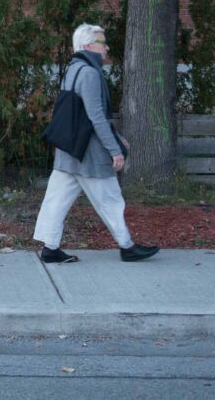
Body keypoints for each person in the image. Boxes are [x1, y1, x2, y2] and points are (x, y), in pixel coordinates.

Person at [34, 23, 159, 264]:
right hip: (88, 154)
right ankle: (127, 246)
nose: (107, 46)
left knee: (56, 200)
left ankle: (50, 248)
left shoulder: (73, 69)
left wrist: (116, 138)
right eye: (102, 42)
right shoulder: (90, 74)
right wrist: (115, 149)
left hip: (68, 150)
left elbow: (83, 113)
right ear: (89, 46)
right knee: (110, 199)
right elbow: (96, 116)